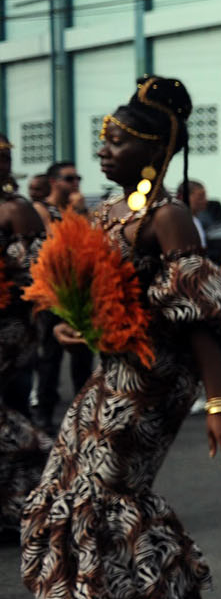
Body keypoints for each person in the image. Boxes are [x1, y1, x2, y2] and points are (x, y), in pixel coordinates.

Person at [18, 76, 221, 599]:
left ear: (151, 151)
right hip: (109, 373)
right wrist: (74, 322)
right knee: (72, 489)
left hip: (155, 382)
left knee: (108, 501)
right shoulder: (105, 213)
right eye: (103, 138)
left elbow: (199, 315)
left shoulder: (168, 216)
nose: (103, 148)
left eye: (116, 140)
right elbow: (99, 293)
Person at [0, 135, 47, 540]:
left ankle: (40, 479)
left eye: (4, 157)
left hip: (10, 328)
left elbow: (36, 274)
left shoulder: (17, 210)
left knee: (12, 407)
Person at [30, 160, 92, 433]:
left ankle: (84, 410)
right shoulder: (41, 209)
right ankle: (44, 412)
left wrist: (80, 213)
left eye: (77, 178)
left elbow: (91, 242)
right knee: (50, 355)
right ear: (54, 182)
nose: (75, 183)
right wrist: (75, 214)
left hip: (79, 288)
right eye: (69, 178)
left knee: (83, 354)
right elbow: (56, 241)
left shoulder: (77, 210)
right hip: (53, 290)